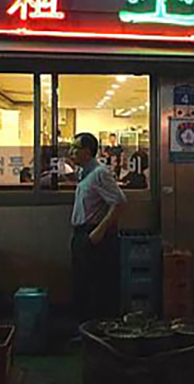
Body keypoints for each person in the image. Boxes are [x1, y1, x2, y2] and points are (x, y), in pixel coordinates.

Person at [69, 132, 127, 324]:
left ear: (87, 151)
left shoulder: (99, 173)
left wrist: (99, 231)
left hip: (95, 236)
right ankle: (85, 328)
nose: (71, 152)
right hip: (81, 234)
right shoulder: (83, 173)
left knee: (97, 286)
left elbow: (119, 202)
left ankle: (99, 329)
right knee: (82, 284)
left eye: (75, 148)